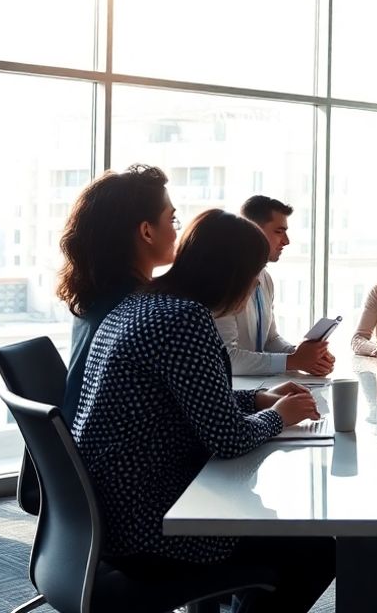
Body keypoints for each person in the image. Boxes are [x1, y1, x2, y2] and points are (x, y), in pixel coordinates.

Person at [72, 209, 334, 613]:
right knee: (314, 552)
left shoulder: (141, 303)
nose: (250, 291)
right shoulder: (185, 319)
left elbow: (186, 401)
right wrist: (280, 415)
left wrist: (259, 399)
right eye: (250, 278)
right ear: (230, 275)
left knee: (274, 529)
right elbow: (227, 439)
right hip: (153, 525)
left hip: (108, 517)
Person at [57, 164, 176, 424]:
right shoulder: (141, 311)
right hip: (116, 455)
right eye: (171, 219)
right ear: (146, 231)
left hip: (78, 445)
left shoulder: (95, 296)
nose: (176, 231)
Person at [216, 195, 335, 377]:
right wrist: (293, 361)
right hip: (233, 391)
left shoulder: (265, 278)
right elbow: (229, 359)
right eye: (279, 232)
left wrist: (305, 356)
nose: (286, 241)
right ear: (253, 230)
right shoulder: (224, 282)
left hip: (259, 386)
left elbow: (270, 340)